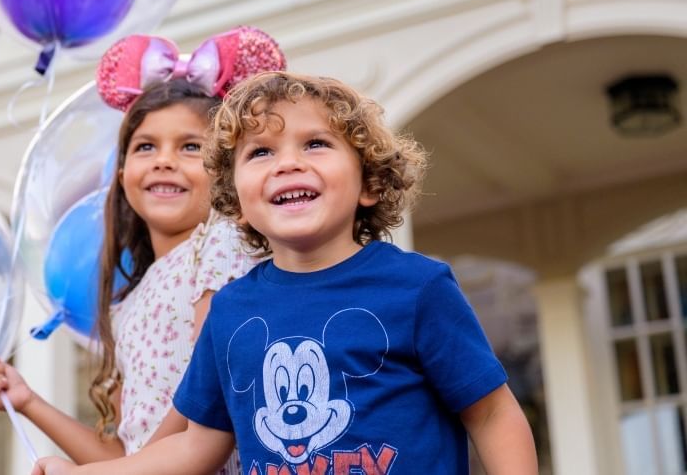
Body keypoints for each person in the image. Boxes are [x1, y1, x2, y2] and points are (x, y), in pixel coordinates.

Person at [32, 71, 539, 475]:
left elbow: (492, 414)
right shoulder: (230, 311)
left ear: (369, 183)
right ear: (235, 200)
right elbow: (196, 447)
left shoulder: (418, 287)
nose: (287, 164)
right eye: (260, 153)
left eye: (315, 144)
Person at [0, 28, 287, 474]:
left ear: (225, 168)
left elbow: (206, 404)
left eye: (191, 147)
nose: (164, 160)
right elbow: (128, 456)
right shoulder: (128, 305)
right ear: (121, 174)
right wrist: (27, 401)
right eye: (146, 147)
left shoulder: (221, 246)